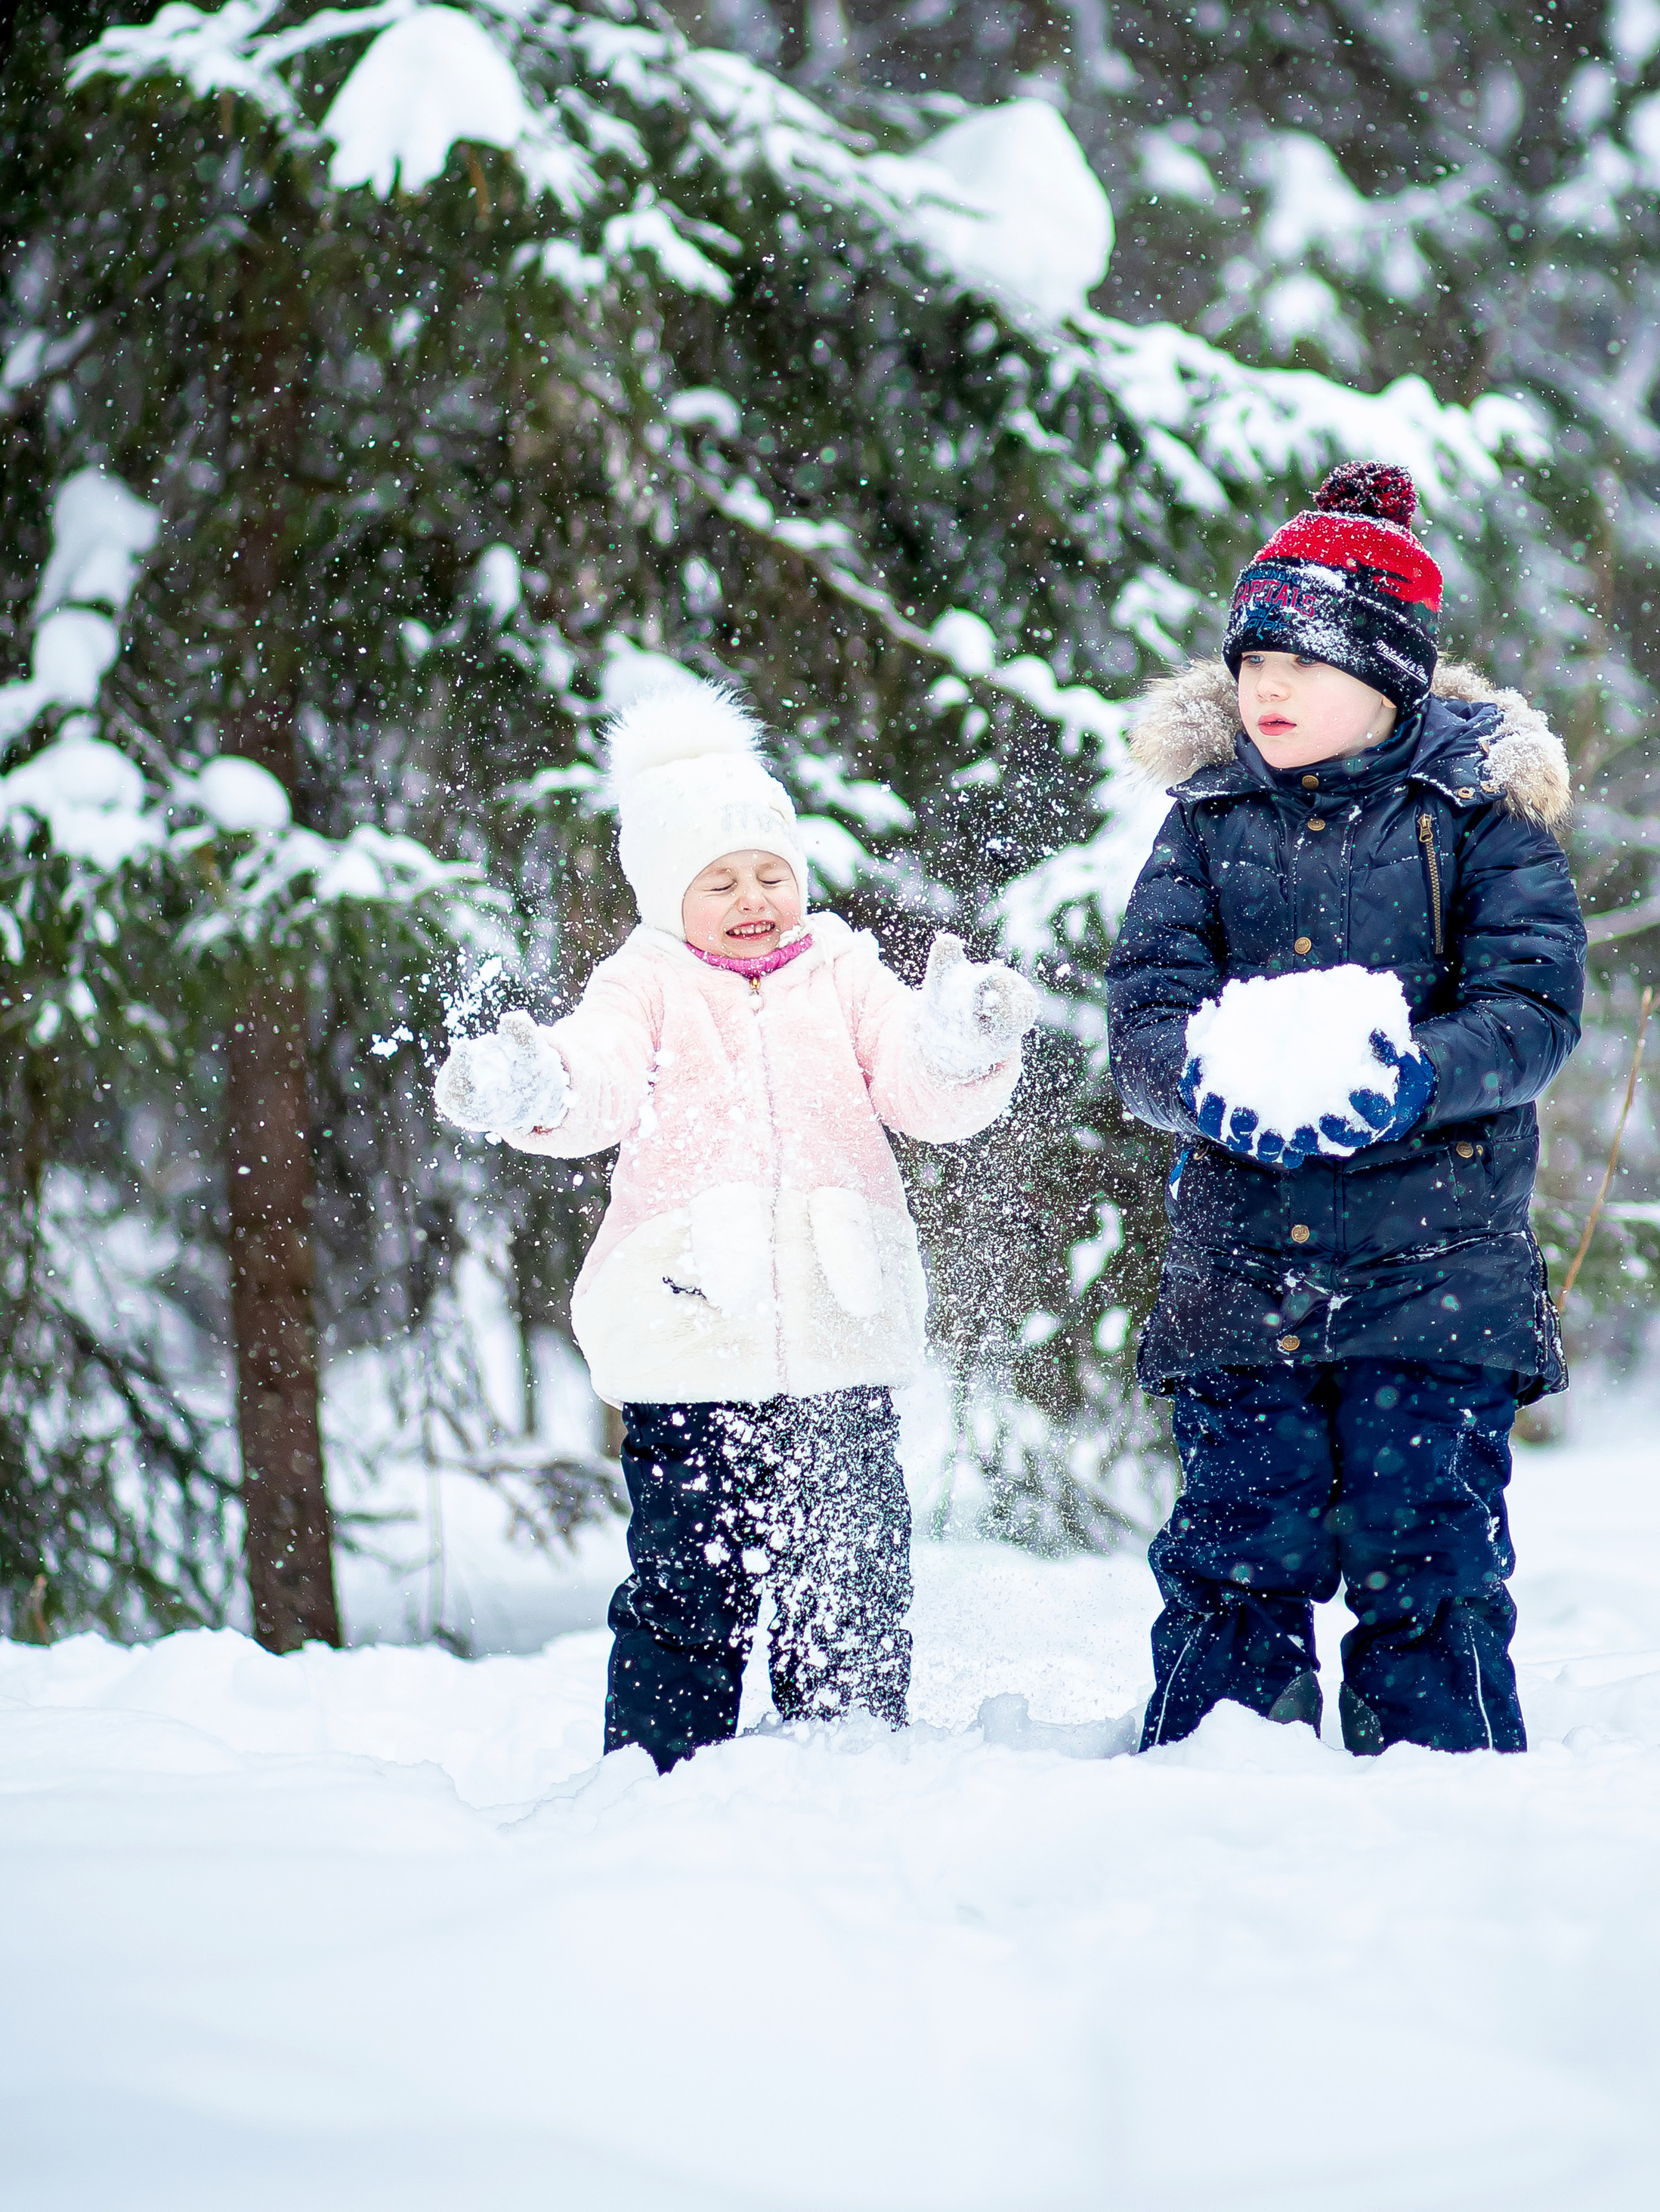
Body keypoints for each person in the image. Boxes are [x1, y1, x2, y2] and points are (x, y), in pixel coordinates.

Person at [433, 673, 1036, 1766]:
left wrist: (960, 1040)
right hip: (691, 1340)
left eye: (772, 873)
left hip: (839, 1337)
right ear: (669, 896)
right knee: (687, 1583)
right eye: (721, 880)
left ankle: (846, 1756)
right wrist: (536, 1087)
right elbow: (596, 1078)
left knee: (848, 1574)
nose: (755, 896)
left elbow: (917, 1086)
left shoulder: (844, 971)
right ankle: (662, 1772)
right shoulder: (646, 983)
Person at [1106, 461, 1585, 1755]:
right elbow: (1143, 1016)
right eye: (1252, 656)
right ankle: (1211, 1795)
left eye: (1302, 662)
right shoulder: (1203, 818)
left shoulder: (1476, 814)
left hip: (1434, 1270)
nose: (1266, 686)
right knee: (1231, 1558)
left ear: (1388, 676)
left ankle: (1447, 1806)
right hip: (1242, 1270)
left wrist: (1413, 1078)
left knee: (1426, 1555)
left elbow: (1534, 1012)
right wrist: (1204, 1082)